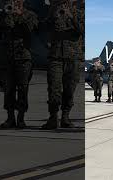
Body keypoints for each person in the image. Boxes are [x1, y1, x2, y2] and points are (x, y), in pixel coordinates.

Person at [0, 0, 38, 129]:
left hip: (23, 57)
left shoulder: (30, 15)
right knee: (8, 89)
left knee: (23, 88)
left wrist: (20, 15)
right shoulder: (5, 14)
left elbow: (30, 30)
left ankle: (21, 118)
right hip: (7, 57)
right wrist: (4, 13)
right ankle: (10, 118)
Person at [42, 0, 82, 129]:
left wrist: (71, 17)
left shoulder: (79, 11)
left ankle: (65, 117)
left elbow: (83, 30)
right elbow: (42, 28)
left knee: (69, 90)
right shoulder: (53, 9)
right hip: (56, 57)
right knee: (54, 89)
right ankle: (53, 117)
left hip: (73, 57)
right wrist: (52, 16)